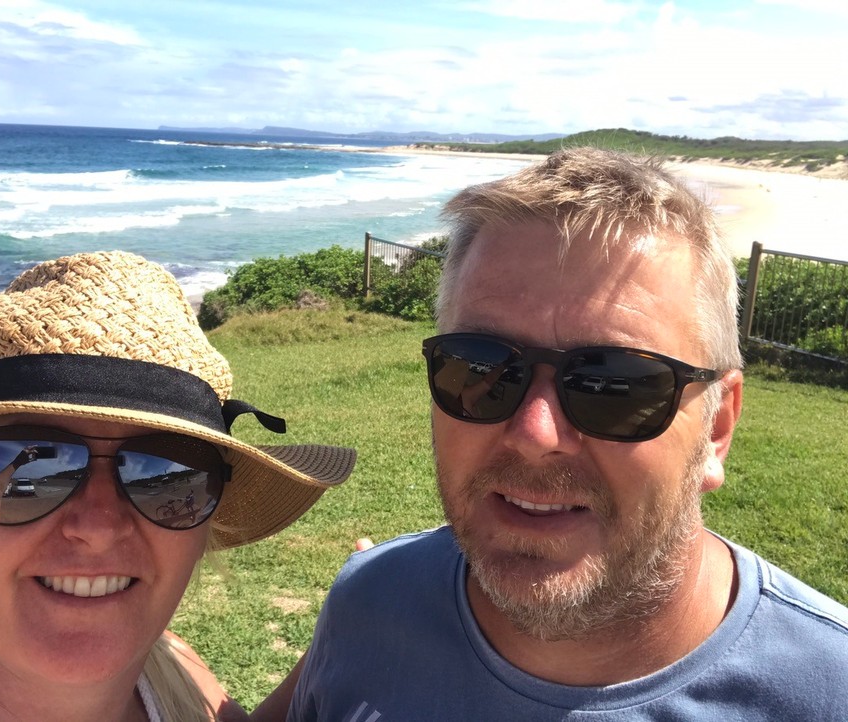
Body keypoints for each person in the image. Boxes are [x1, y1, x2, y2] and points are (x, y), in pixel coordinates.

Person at [283, 148, 848, 719]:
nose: (535, 433)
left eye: (614, 384)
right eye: (483, 367)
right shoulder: (367, 606)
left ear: (717, 428)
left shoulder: (827, 691)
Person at [0, 250, 355, 721]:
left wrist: (349, 630)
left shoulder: (175, 674)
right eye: (21, 462)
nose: (98, 527)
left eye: (163, 474)